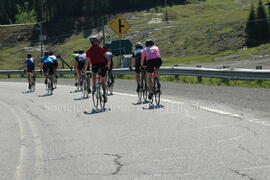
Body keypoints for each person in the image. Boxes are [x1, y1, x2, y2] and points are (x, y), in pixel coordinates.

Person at [85, 36, 111, 102]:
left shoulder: (88, 50)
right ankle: (104, 94)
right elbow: (108, 58)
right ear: (95, 42)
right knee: (103, 81)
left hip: (94, 65)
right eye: (97, 41)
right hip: (102, 65)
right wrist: (108, 64)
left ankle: (93, 87)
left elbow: (87, 62)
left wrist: (85, 69)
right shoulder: (101, 49)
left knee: (94, 74)